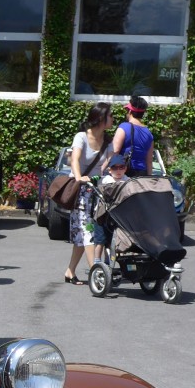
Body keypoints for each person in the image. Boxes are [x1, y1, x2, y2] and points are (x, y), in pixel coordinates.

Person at [63, 101, 114, 284]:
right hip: (81, 191)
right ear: (101, 118)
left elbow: (110, 164)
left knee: (82, 233)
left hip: (98, 190)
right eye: (110, 116)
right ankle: (96, 272)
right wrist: (79, 177)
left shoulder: (108, 141)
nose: (113, 119)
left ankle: (70, 271)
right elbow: (75, 159)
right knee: (88, 231)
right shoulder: (81, 137)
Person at [112, 95, 154, 178]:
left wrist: (105, 169)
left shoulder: (124, 127)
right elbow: (149, 161)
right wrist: (149, 178)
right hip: (142, 173)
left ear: (130, 112)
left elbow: (114, 151)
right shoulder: (149, 133)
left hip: (125, 172)